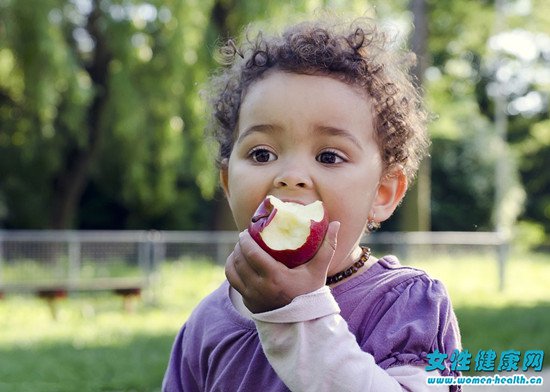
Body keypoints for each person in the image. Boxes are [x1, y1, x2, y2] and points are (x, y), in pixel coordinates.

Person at [163, 16, 462, 392]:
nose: (291, 176)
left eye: (329, 156)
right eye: (261, 153)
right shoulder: (207, 322)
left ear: (383, 193)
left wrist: (296, 313)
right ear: (227, 182)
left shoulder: (407, 305)